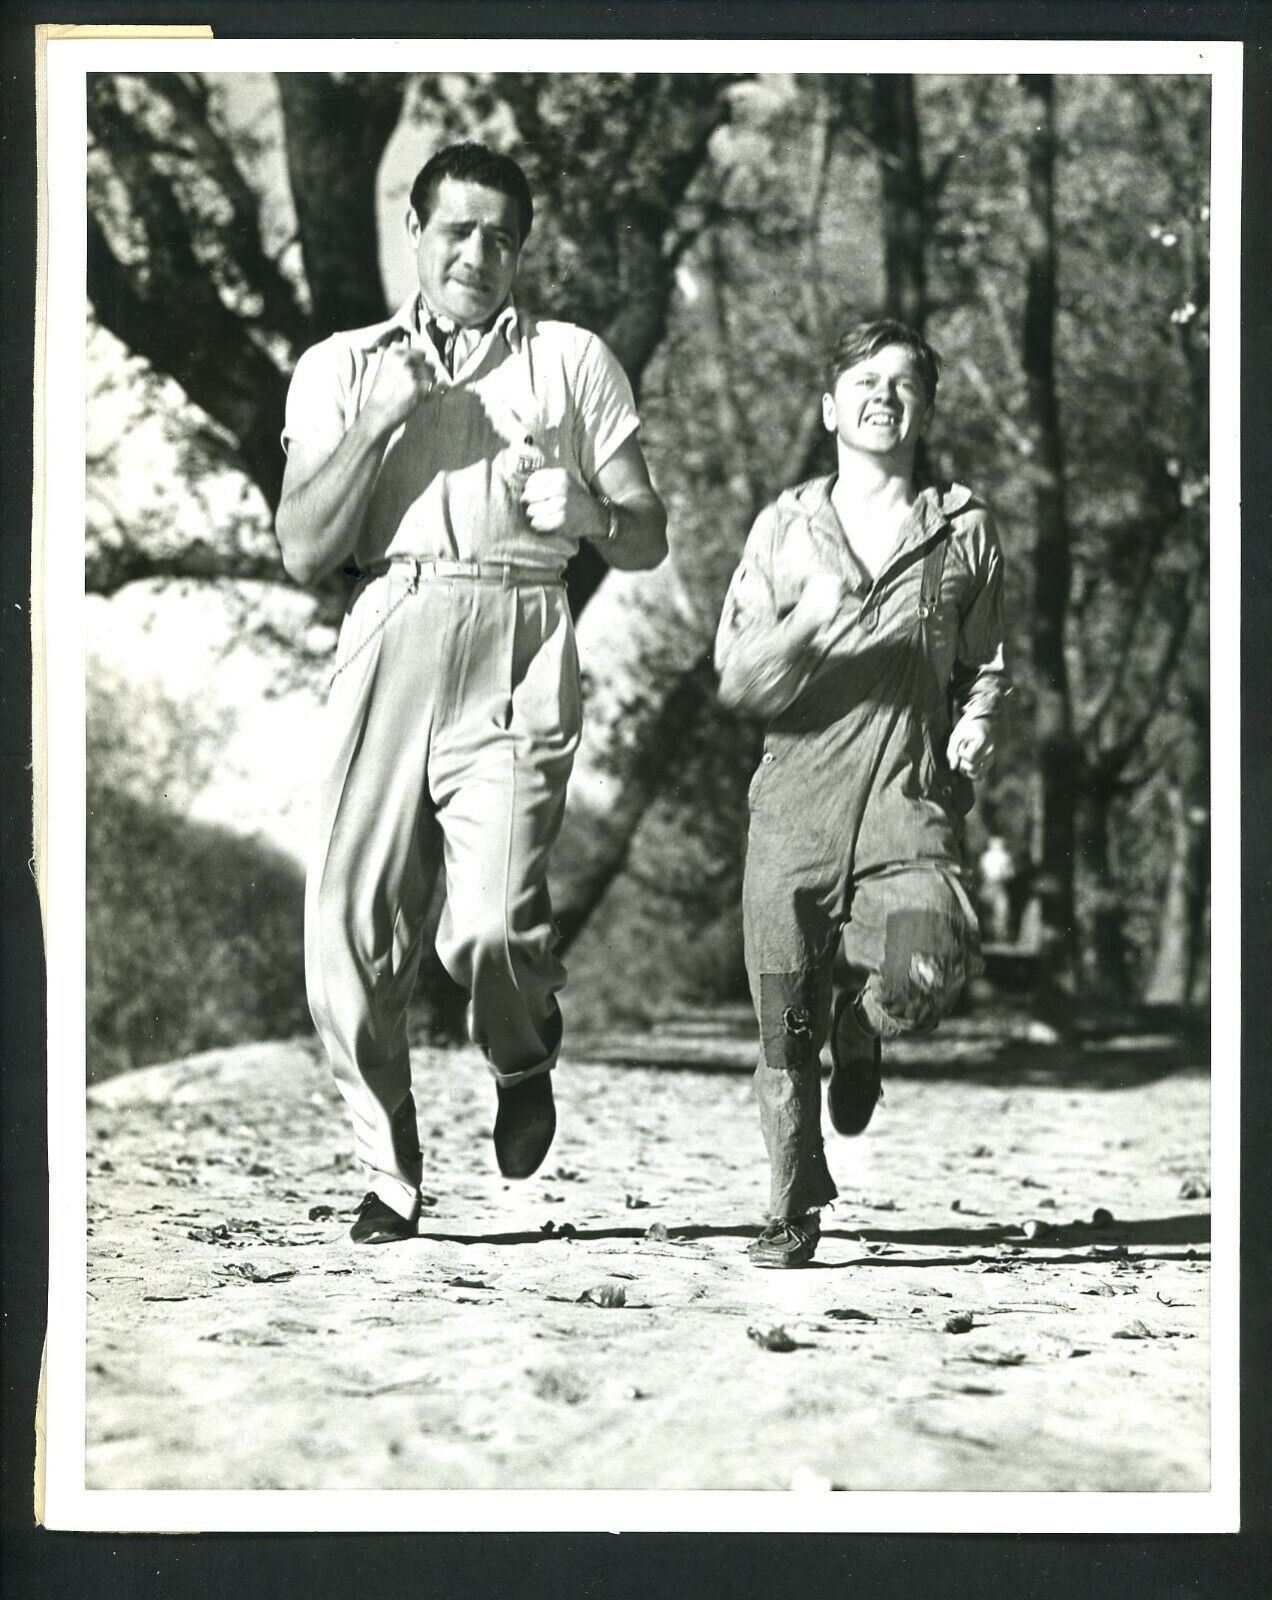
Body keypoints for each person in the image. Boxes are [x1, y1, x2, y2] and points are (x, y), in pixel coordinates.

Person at [276, 143, 667, 1245]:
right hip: (387, 624)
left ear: (522, 249)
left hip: (521, 632)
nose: (478, 254)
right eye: (456, 230)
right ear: (415, 232)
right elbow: (304, 547)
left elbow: (649, 533)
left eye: (501, 235)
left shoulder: (574, 361)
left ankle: (521, 1049)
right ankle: (391, 1159)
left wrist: (588, 513)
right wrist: (373, 426)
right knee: (345, 940)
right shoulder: (341, 364)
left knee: (491, 923)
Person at [713, 319, 1009, 1268]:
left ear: (924, 407)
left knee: (929, 965)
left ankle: (864, 1029)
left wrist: (976, 720)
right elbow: (737, 677)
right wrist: (805, 623)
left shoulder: (963, 529)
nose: (883, 395)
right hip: (794, 806)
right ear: (829, 406)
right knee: (783, 1021)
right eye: (863, 381)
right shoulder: (782, 528)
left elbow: (985, 665)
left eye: (904, 382)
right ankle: (792, 1204)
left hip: (906, 799)